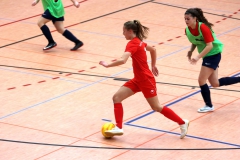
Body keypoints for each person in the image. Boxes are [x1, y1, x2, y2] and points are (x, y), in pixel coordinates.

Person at [99, 20, 189, 139]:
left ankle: (182, 123)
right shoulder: (139, 42)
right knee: (117, 98)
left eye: (124, 31)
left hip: (146, 80)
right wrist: (153, 65)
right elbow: (153, 49)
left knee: (156, 107)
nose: (123, 33)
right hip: (138, 80)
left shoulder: (132, 44)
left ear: (130, 31)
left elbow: (123, 60)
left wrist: (108, 65)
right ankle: (119, 127)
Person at [184, 8, 240, 113]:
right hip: (207, 56)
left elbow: (209, 46)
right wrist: (191, 51)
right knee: (215, 83)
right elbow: (195, 41)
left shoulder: (203, 28)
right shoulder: (187, 30)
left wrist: (197, 57)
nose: (186, 21)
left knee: (201, 80)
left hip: (213, 54)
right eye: (185, 19)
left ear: (195, 19)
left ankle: (209, 105)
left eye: (188, 19)